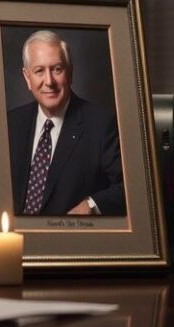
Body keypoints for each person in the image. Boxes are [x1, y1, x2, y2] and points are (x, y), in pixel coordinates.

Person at [7, 30, 126, 216]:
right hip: (15, 241)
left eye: (57, 69)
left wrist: (91, 205)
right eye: (39, 71)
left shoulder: (101, 125)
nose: (49, 81)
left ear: (70, 73)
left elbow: (128, 187)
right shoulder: (11, 124)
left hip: (71, 241)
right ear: (27, 78)